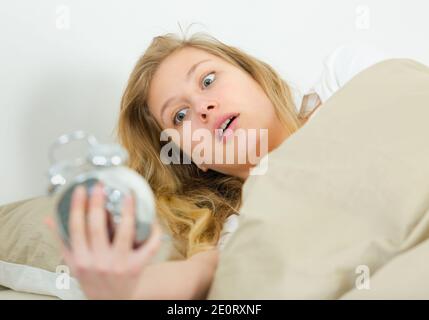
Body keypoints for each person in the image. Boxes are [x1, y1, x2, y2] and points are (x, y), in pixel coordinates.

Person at [46, 32, 388, 299]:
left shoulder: (345, 77)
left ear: (253, 74)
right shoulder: (247, 224)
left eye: (208, 80)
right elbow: (200, 275)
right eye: (179, 116)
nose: (202, 107)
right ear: (193, 158)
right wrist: (123, 290)